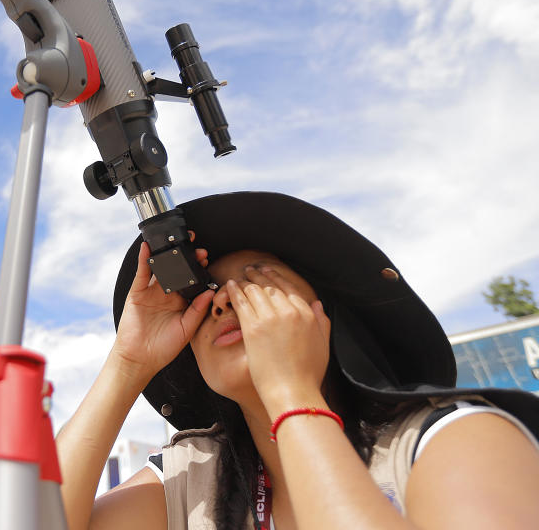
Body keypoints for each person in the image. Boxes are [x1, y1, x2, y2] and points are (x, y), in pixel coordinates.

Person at [55, 192, 539, 530]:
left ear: (326, 314)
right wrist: (127, 363)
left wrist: (290, 390)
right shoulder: (192, 475)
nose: (224, 303)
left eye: (257, 281)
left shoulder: (449, 439)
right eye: (204, 296)